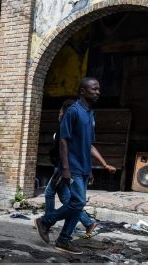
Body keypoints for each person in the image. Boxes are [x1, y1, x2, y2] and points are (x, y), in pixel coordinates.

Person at [36, 77, 111, 254]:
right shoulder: (73, 112)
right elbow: (63, 140)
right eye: (94, 89)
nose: (98, 92)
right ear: (83, 91)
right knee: (77, 202)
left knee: (78, 204)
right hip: (73, 166)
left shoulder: (90, 113)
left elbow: (88, 145)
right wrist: (66, 168)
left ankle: (63, 239)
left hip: (84, 167)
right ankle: (46, 221)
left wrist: (90, 169)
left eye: (99, 89)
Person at [43, 99, 115, 238]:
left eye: (60, 111)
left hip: (66, 169)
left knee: (69, 199)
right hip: (68, 168)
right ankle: (62, 228)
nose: (59, 114)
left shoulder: (70, 127)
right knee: (66, 198)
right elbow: (86, 148)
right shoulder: (70, 127)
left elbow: (85, 148)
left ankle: (48, 222)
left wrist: (65, 169)